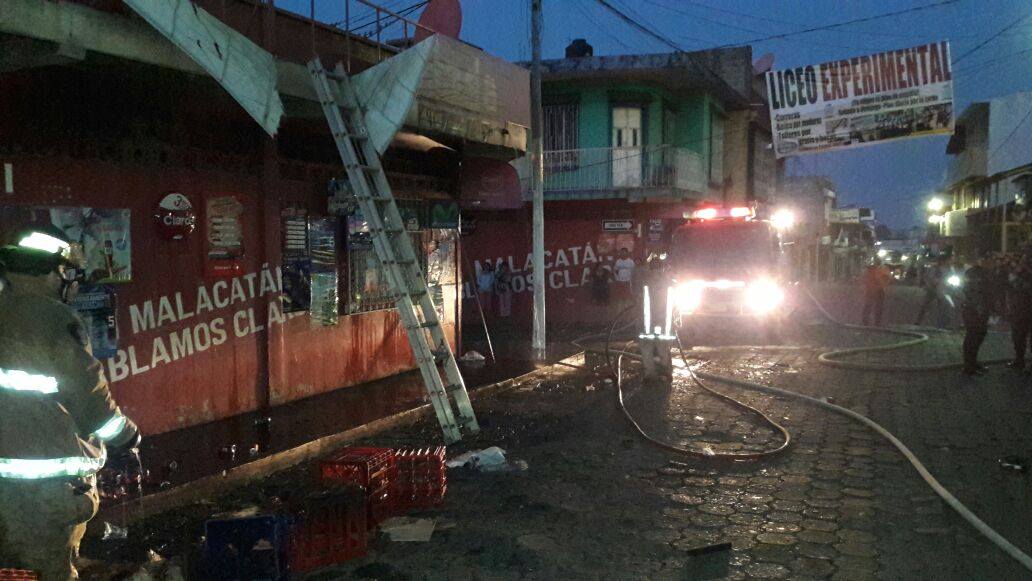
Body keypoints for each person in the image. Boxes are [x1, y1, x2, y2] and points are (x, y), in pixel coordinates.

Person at [0, 225, 141, 579]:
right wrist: (126, 438)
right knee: (47, 571)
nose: (70, 282)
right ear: (52, 272)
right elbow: (88, 397)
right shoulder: (55, 319)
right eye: (67, 273)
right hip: (43, 491)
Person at [961, 253, 994, 376]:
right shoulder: (975, 273)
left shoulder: (984, 272)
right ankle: (969, 366)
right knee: (973, 336)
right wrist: (979, 308)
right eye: (988, 260)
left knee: (979, 335)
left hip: (979, 308)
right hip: (973, 309)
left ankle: (973, 363)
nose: (991, 262)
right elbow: (974, 293)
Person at [1008, 253, 1032, 371]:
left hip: (1025, 308)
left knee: (1021, 336)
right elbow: (1010, 286)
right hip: (1019, 309)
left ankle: (1022, 361)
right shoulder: (1018, 274)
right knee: (1018, 337)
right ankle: (1019, 360)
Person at [861, 258, 892, 326]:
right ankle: (876, 321)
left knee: (869, 305)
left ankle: (866, 320)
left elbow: (864, 278)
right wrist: (883, 284)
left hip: (871, 289)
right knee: (878, 306)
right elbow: (888, 278)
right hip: (879, 289)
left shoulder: (870, 269)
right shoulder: (883, 269)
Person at [915, 260, 946, 326]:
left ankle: (941, 322)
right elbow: (928, 277)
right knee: (926, 305)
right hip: (933, 289)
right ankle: (918, 321)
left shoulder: (945, 268)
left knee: (942, 306)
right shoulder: (935, 268)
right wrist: (931, 283)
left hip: (939, 289)